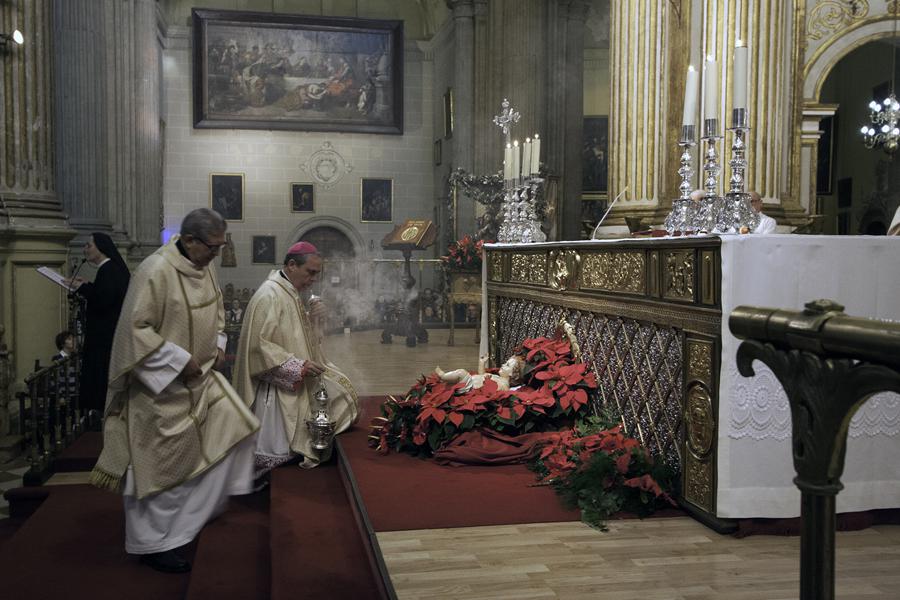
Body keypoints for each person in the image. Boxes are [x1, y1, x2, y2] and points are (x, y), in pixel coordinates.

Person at [90, 208, 260, 574]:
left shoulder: (204, 267)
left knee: (236, 429)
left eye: (220, 247)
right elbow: (136, 331)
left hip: (201, 382)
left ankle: (189, 521)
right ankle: (152, 544)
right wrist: (180, 360)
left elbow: (216, 311)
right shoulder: (155, 271)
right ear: (188, 241)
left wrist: (216, 343)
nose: (217, 255)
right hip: (160, 391)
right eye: (212, 248)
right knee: (159, 470)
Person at [234, 241, 359, 478]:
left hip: (293, 382)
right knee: (277, 451)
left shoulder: (288, 292)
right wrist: (298, 366)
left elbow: (296, 338)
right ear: (291, 265)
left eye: (316, 274)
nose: (313, 279)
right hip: (273, 388)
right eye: (310, 272)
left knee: (343, 397)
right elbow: (258, 348)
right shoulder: (269, 295)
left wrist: (314, 321)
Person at [67, 232, 131, 426]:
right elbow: (105, 293)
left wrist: (83, 289)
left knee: (101, 379)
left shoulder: (108, 269)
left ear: (101, 247)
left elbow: (104, 300)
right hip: (108, 334)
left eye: (89, 245)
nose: (85, 249)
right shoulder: (111, 269)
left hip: (104, 337)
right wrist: (87, 286)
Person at [435, 354, 526, 394]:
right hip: (469, 381)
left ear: (513, 374)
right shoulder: (497, 377)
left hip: (470, 387)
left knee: (461, 372)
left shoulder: (504, 384)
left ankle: (443, 376)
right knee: (454, 380)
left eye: (507, 365)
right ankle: (445, 379)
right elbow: (481, 374)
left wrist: (488, 382)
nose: (503, 364)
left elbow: (497, 391)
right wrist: (482, 363)